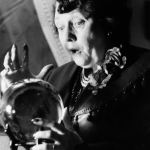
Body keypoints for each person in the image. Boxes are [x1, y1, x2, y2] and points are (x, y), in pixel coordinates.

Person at [1, 0, 150, 149]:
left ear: (106, 21)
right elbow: (34, 139)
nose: (67, 37)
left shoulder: (144, 71)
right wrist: (24, 95)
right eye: (60, 27)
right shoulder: (53, 79)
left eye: (78, 23)